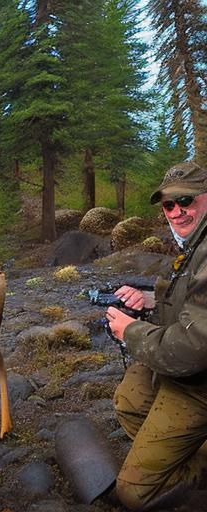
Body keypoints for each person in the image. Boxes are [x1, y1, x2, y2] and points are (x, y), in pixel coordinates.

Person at [105, 161, 207, 511]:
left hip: (199, 382)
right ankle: (185, 457)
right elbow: (192, 304)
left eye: (187, 201)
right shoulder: (195, 244)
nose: (177, 212)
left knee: (134, 494)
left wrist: (129, 330)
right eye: (168, 205)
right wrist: (150, 301)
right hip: (195, 372)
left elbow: (194, 348)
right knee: (131, 399)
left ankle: (191, 477)